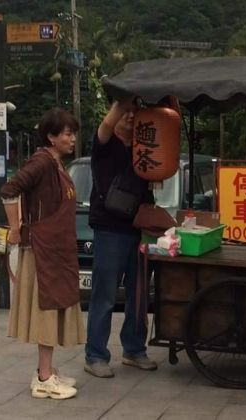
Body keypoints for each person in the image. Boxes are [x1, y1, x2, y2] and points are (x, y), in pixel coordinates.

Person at [1, 108, 85, 400]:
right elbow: (10, 189)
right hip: (43, 252)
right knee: (47, 311)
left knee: (55, 307)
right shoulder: (41, 161)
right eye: (67, 134)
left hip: (56, 250)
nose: (72, 139)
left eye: (73, 134)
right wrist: (15, 228)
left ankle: (46, 371)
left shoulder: (56, 163)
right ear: (51, 136)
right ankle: (44, 378)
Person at [84, 99, 157, 378]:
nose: (130, 116)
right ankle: (95, 355)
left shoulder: (143, 148)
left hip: (139, 228)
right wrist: (124, 98)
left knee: (139, 295)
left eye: (134, 113)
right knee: (104, 295)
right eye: (125, 112)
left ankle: (134, 349)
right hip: (109, 229)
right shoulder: (104, 144)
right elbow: (106, 124)